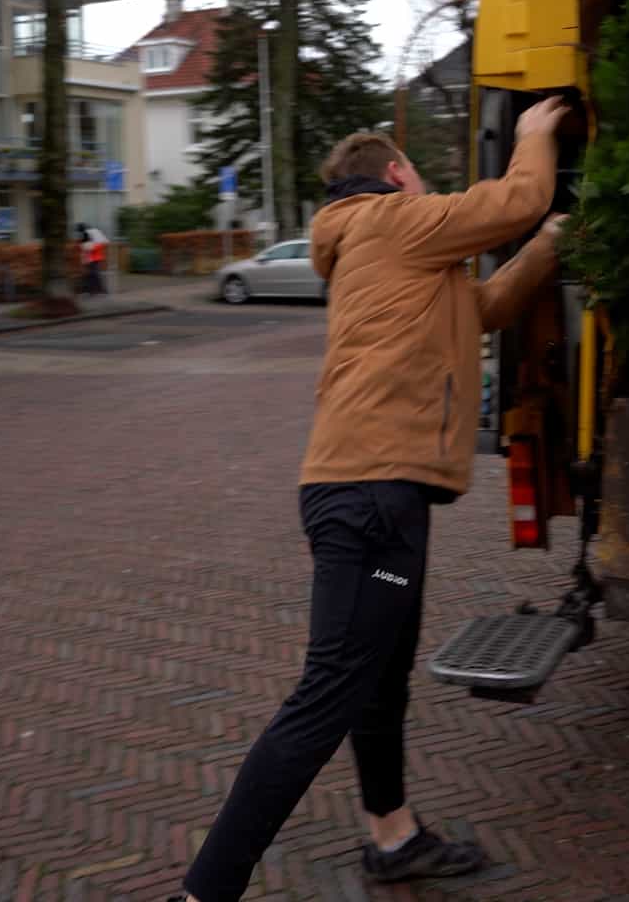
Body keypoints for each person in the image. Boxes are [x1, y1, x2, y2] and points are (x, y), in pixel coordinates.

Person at [180, 97, 574, 902]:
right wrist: (534, 138)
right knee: (325, 696)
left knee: (377, 682)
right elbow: (518, 197)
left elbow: (485, 309)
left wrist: (552, 245)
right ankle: (202, 892)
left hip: (373, 495)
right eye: (418, 176)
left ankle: (391, 838)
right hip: (372, 500)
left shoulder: (377, 247)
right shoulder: (398, 222)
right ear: (397, 173)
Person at [77, 223, 108, 295]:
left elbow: (88, 247)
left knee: (93, 274)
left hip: (94, 257)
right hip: (92, 257)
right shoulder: (91, 233)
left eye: (79, 231)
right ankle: (93, 290)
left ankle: (97, 291)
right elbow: (86, 247)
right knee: (92, 274)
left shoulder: (90, 233)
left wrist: (90, 248)